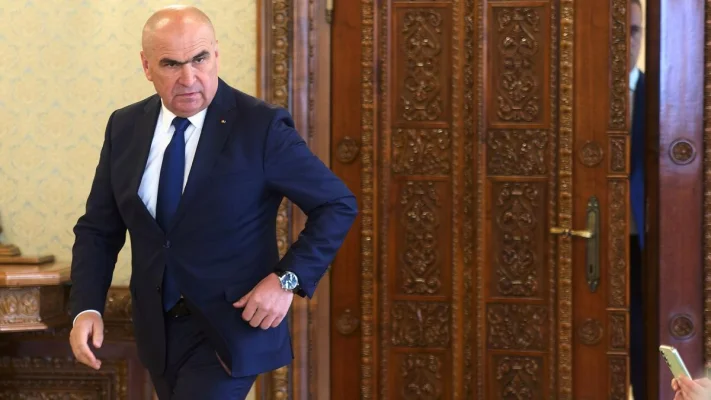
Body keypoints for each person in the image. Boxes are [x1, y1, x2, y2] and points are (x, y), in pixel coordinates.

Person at [68, 5, 357, 399]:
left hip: (231, 331)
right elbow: (98, 230)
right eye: (171, 64)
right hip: (157, 335)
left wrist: (287, 279)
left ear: (216, 55)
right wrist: (87, 307)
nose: (189, 78)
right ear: (147, 66)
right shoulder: (125, 126)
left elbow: (336, 204)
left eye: (200, 59)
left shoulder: (260, 126)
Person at [628, 0, 646, 398]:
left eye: (634, 32)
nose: (626, 41)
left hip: (641, 240)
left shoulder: (657, 91)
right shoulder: (580, 93)